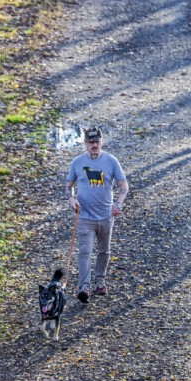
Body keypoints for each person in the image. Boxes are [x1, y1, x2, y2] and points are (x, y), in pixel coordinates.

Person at [65, 127, 129, 303]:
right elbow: (69, 185)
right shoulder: (77, 162)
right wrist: (71, 199)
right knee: (85, 252)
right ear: (85, 143)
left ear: (102, 141)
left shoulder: (111, 161)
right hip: (84, 216)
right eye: (90, 142)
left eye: (97, 141)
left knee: (104, 251)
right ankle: (84, 287)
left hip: (106, 215)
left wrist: (119, 203)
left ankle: (100, 281)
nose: (94, 145)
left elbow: (124, 185)